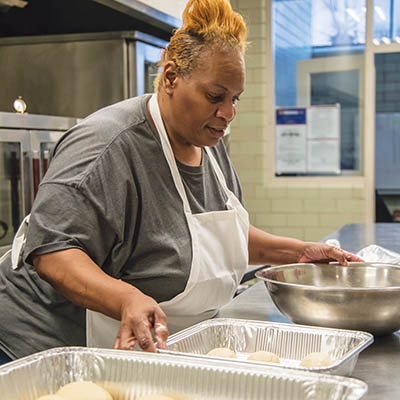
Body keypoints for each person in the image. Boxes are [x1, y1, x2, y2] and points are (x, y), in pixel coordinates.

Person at [0, 0, 363, 365]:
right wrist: (126, 298)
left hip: (145, 350)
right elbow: (52, 251)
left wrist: (297, 253)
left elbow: (214, 238)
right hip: (43, 346)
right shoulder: (106, 146)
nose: (228, 114)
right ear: (171, 77)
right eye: (215, 96)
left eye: (235, 100)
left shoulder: (209, 143)